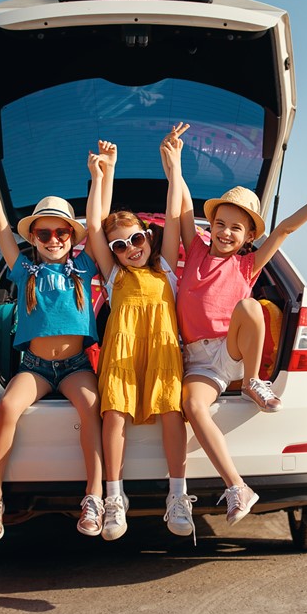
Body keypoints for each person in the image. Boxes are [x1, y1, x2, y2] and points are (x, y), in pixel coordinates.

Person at [172, 125, 307, 524]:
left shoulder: (247, 264)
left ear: (247, 236)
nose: (226, 232)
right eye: (221, 224)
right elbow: (180, 208)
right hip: (198, 359)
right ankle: (237, 487)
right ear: (209, 226)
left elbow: (284, 229)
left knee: (249, 306)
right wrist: (175, 163)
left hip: (230, 353)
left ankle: (251, 382)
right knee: (191, 406)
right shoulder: (194, 248)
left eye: (236, 228)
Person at [0, 149, 104, 542]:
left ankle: (94, 498)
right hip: (35, 367)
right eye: (44, 233)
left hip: (76, 366)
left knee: (93, 408)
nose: (53, 239)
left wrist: (98, 176)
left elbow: (96, 223)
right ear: (32, 237)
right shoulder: (24, 270)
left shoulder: (83, 267)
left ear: (71, 237)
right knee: (9, 406)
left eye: (61, 233)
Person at [82, 130, 193, 540]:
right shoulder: (114, 277)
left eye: (136, 239)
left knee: (172, 413)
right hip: (122, 356)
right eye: (121, 245)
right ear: (111, 253)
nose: (131, 248)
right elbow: (94, 224)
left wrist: (175, 167)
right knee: (113, 415)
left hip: (164, 352)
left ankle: (177, 497)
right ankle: (114, 498)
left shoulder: (164, 267)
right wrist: (102, 176)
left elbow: (175, 209)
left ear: (148, 236)